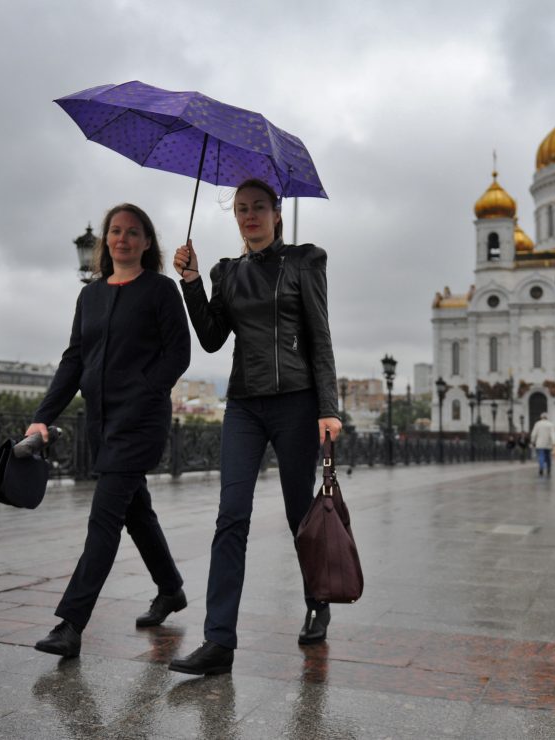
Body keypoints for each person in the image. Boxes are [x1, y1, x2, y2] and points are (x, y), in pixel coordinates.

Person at [168, 178, 342, 676]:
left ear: (277, 213)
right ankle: (218, 641)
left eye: (259, 208)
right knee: (231, 517)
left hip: (296, 402)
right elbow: (210, 338)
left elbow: (320, 338)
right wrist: (192, 281)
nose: (250, 216)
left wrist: (328, 407)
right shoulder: (228, 272)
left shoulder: (305, 262)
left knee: (297, 514)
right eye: (242, 209)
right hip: (244, 404)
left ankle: (317, 601)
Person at [28, 204, 191, 658]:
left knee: (104, 520)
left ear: (146, 242)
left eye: (133, 232)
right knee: (136, 511)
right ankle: (171, 589)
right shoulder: (91, 296)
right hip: (102, 423)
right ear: (105, 241)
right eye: (115, 231)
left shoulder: (160, 290)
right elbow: (74, 359)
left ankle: (71, 623)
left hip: (140, 422)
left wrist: (145, 389)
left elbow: (179, 353)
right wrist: (44, 414)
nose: (123, 238)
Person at [530, 412, 555, 477]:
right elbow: (553, 434)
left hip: (540, 444)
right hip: (548, 444)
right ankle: (548, 468)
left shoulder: (537, 424)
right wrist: (554, 443)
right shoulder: (550, 424)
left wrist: (533, 441)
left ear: (541, 417)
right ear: (547, 417)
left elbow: (533, 434)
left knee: (541, 456)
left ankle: (541, 467)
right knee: (548, 457)